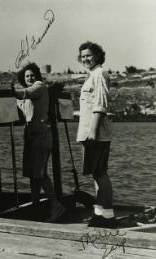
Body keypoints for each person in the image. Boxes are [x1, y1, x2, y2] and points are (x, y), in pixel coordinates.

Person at [13, 62, 65, 222]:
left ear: (37, 76)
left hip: (41, 136)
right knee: (33, 174)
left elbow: (22, 93)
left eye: (32, 75)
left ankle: (56, 206)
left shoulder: (39, 87)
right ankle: (35, 207)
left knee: (40, 173)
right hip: (31, 136)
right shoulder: (28, 94)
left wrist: (9, 90)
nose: (30, 78)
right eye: (27, 76)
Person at [77, 41, 116, 228]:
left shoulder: (99, 74)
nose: (85, 58)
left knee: (100, 173)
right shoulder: (91, 75)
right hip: (89, 132)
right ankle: (100, 213)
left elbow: (100, 104)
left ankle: (108, 216)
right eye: (83, 56)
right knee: (96, 173)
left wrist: (92, 131)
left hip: (96, 133)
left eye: (89, 55)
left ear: (98, 56)